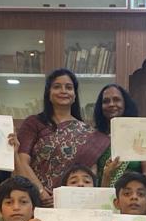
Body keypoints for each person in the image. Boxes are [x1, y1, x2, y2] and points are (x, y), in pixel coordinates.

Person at [16, 69, 109, 206]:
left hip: (73, 203)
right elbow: (21, 161)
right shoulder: (34, 123)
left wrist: (68, 197)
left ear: (74, 95)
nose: (63, 91)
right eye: (57, 87)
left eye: (69, 87)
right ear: (48, 93)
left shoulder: (88, 133)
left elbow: (90, 173)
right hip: (36, 199)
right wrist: (40, 192)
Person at [91, 83, 146, 193]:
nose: (111, 104)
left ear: (125, 103)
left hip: (135, 196)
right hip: (104, 194)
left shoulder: (141, 133)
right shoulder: (95, 137)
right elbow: (91, 174)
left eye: (116, 100)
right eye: (106, 101)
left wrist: (127, 192)